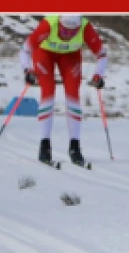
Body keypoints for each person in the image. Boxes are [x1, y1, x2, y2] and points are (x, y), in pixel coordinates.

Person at [20, 14, 108, 167]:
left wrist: (98, 75)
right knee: (48, 92)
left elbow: (102, 55)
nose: (68, 35)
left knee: (73, 95)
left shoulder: (85, 27)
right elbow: (25, 50)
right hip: (45, 54)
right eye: (65, 31)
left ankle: (74, 146)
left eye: (74, 32)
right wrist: (27, 70)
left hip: (70, 56)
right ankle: (44, 146)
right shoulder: (48, 24)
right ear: (59, 24)